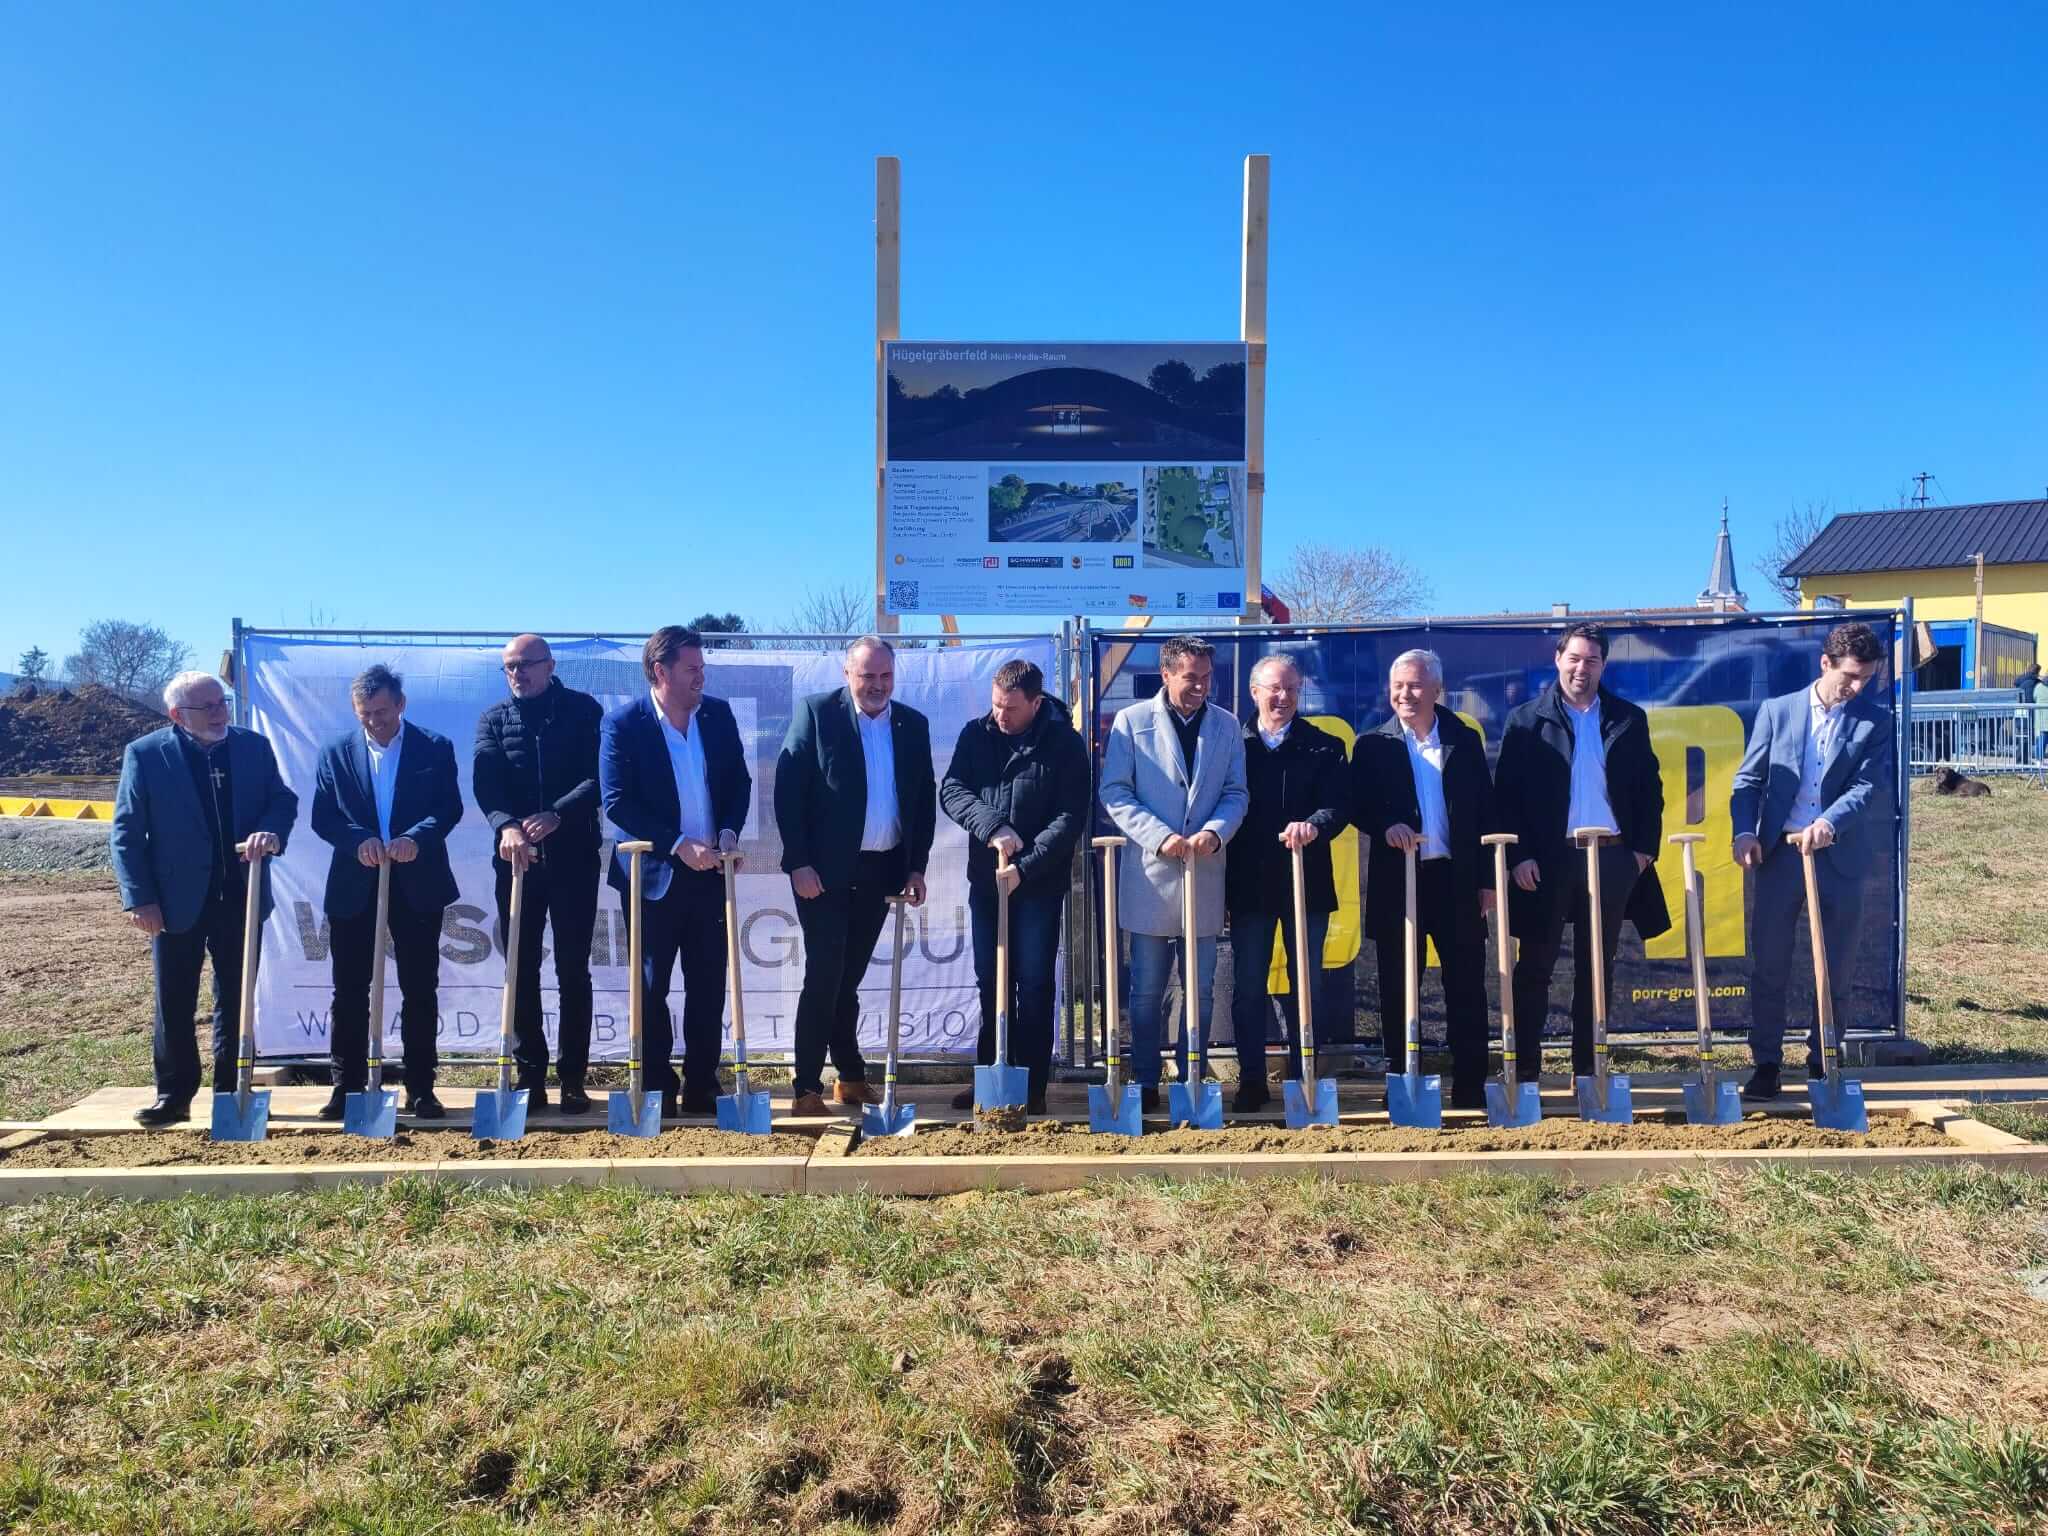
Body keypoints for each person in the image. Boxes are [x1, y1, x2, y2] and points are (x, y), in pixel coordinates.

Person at [111, 671, 297, 1125]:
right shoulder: (147, 754)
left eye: (222, 703)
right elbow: (126, 833)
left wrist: (271, 831)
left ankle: (232, 1094)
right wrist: (139, 898)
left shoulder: (252, 747)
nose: (220, 713)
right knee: (173, 997)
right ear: (178, 715)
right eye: (208, 707)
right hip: (174, 902)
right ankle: (173, 1095)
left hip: (242, 896)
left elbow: (282, 800)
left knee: (235, 998)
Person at [1494, 623, 1670, 1080]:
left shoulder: (1629, 718)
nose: (1581, 668)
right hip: (1546, 861)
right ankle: (1526, 1076)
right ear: (1558, 659)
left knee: (1597, 970)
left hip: (1610, 859)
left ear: (1603, 665)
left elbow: (1650, 791)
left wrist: (1641, 854)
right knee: (1535, 966)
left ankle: (1589, 1073)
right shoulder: (1526, 720)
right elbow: (1507, 796)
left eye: (1591, 660)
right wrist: (1519, 857)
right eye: (1574, 658)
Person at [1730, 620, 1893, 1098]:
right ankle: (1765, 1064)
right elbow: (1749, 781)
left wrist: (1830, 822)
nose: (1857, 687)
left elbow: (1867, 785)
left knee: (1835, 965)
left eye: (1866, 678)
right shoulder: (1777, 712)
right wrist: (1745, 831)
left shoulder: (1874, 721)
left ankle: (1825, 1059)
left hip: (1837, 856)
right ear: (1825, 664)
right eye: (1849, 677)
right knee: (1771, 964)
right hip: (1780, 856)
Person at [775, 635, 936, 1117]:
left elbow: (922, 800)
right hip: (821, 875)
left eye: (886, 676)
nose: (878, 685)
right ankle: (806, 1087)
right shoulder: (817, 712)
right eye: (868, 676)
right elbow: (788, 791)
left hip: (880, 871)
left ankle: (848, 1077)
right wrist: (797, 862)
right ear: (848, 674)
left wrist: (916, 865)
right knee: (824, 977)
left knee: (848, 981)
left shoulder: (912, 724)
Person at [599, 627, 752, 1117]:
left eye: (703, 668)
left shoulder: (718, 715)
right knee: (651, 986)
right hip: (653, 878)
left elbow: (738, 782)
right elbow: (616, 801)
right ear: (660, 671)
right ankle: (658, 1085)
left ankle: (704, 1084)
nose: (700, 677)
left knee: (709, 983)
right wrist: (678, 844)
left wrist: (728, 830)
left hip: (711, 873)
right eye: (691, 669)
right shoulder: (624, 725)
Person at [1099, 635, 1249, 1111]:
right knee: (1145, 990)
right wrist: (1159, 835)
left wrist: (1216, 832)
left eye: (1207, 677)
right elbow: (1116, 791)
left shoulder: (1226, 726)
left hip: (1204, 875)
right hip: (1150, 875)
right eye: (1191, 677)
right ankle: (1145, 1080)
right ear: (1166, 674)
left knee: (1200, 991)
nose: (1201, 686)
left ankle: (1191, 1078)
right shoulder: (1132, 722)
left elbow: (1236, 793)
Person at [311, 664, 464, 1119]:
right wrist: (358, 840)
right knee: (350, 989)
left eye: (381, 711)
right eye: (365, 714)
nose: (374, 721)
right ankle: (347, 1087)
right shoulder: (335, 752)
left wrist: (416, 837)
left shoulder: (434, 747)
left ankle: (421, 1087)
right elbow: (324, 817)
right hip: (354, 885)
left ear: (400, 704)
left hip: (418, 883)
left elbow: (448, 807)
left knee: (420, 987)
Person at [939, 658, 1090, 1113]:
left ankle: (1033, 1086)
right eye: (995, 705)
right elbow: (952, 790)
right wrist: (992, 827)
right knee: (991, 981)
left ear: (1036, 703)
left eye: (1010, 709)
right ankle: (992, 1077)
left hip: (1038, 886)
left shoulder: (1064, 744)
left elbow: (1069, 817)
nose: (1000, 716)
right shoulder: (976, 734)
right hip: (988, 885)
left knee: (1034, 982)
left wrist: (1025, 864)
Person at [1351, 649, 1495, 1109]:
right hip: (1400, 883)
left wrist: (1488, 881)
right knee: (1398, 987)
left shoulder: (1463, 739)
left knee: (1466, 987)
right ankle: (1402, 1081)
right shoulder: (1373, 744)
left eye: (1415, 685)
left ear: (1437, 690)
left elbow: (1485, 809)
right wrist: (1385, 824)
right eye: (1398, 686)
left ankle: (1471, 1085)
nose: (1405, 694)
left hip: (1456, 880)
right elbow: (1356, 804)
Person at [473, 634, 605, 1113]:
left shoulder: (582, 710)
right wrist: (505, 825)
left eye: (527, 664)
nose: (518, 673)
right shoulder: (493, 719)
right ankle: (529, 1076)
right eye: (509, 667)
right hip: (516, 863)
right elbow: (484, 783)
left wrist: (558, 814)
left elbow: (599, 777)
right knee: (520, 969)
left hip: (573, 859)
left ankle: (572, 1078)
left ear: (549, 665)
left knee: (573, 970)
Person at [1223, 654, 1349, 1111]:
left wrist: (1314, 824)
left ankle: (1304, 1077)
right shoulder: (1232, 745)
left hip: (1306, 884)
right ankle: (1252, 1080)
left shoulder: (1324, 745)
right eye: (1274, 688)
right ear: (1255, 691)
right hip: (1249, 886)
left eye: (1292, 689)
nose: (1283, 697)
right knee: (1249, 986)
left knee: (1306, 986)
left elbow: (1339, 804)